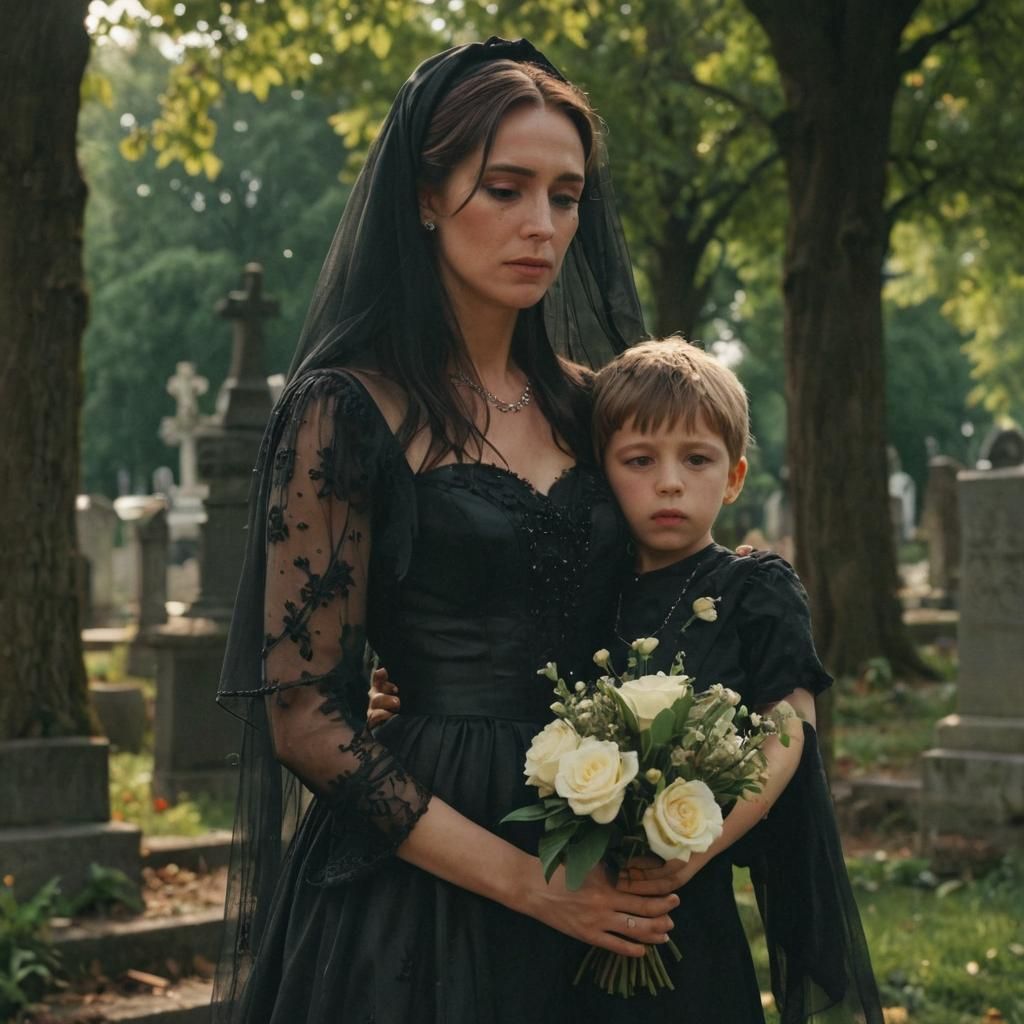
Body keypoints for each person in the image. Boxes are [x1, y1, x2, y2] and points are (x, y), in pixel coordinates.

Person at [212, 38, 680, 1024]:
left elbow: (682, 587)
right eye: (504, 188)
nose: (539, 225)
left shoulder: (597, 411)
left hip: (604, 831)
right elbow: (303, 722)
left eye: (564, 196)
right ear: (425, 197)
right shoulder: (344, 412)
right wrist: (530, 883)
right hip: (423, 883)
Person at [373, 339, 884, 1022]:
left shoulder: (752, 587)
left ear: (732, 478)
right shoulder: (588, 589)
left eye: (696, 460)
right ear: (601, 475)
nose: (669, 481)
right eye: (640, 461)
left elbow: (789, 722)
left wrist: (698, 842)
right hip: (571, 902)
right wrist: (412, 685)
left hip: (682, 899)